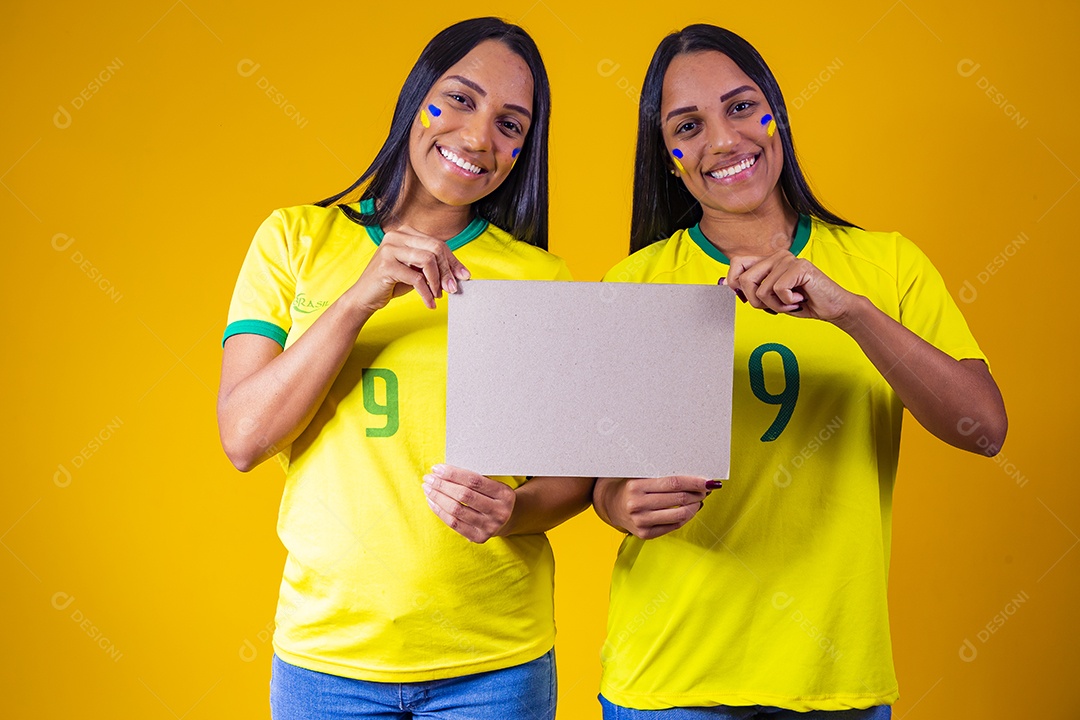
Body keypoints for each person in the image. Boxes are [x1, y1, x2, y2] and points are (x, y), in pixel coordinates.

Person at [592, 24, 1007, 719]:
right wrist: (618, 504)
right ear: (667, 158)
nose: (723, 140)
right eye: (687, 126)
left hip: (835, 680)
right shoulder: (634, 282)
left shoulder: (887, 265)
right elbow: (599, 483)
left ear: (777, 115)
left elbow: (985, 429)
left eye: (741, 106)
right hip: (669, 681)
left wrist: (849, 312)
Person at [216, 18, 592, 720]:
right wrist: (360, 298)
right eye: (459, 98)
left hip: (495, 665)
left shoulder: (542, 276)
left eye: (511, 124)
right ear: (416, 96)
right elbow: (243, 437)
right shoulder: (297, 238)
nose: (480, 138)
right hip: (326, 662)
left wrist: (513, 511)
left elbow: (574, 480)